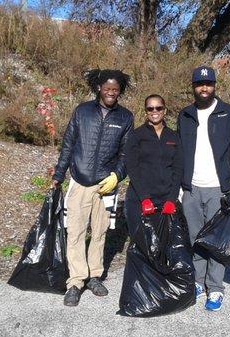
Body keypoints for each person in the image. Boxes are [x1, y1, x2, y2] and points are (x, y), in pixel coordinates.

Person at [51, 69, 134, 307]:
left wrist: (117, 176)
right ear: (99, 87)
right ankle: (76, 281)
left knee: (99, 233)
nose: (111, 93)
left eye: (115, 89)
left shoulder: (125, 117)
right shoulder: (82, 111)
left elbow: (126, 154)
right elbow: (68, 145)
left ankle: (94, 276)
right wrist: (59, 174)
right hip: (79, 181)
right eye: (107, 88)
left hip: (105, 186)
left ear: (120, 91)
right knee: (75, 232)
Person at [177, 66, 230, 311]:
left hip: (219, 188)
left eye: (208, 84)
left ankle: (215, 288)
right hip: (192, 189)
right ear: (193, 86)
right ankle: (197, 281)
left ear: (215, 85)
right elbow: (179, 152)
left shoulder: (228, 113)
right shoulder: (185, 114)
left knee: (217, 241)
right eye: (199, 84)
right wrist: (179, 185)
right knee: (195, 238)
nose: (204, 88)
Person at [124, 94, 183, 235]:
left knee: (164, 245)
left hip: (165, 199)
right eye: (150, 108)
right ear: (146, 111)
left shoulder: (173, 136)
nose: (154, 111)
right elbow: (132, 168)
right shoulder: (136, 136)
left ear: (165, 110)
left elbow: (178, 168)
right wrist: (144, 198)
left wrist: (171, 199)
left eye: (158, 107)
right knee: (141, 245)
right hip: (140, 198)